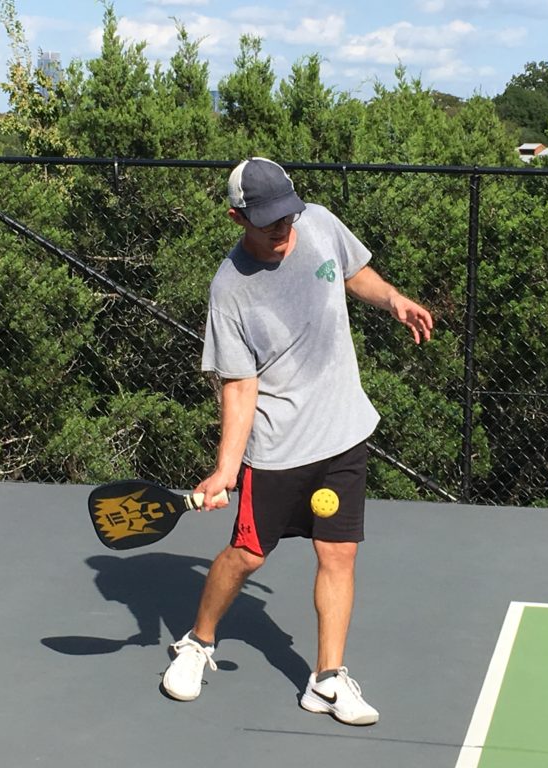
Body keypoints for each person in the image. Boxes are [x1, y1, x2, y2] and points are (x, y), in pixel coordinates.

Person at [161, 157, 433, 726]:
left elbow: (353, 272)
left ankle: (327, 678)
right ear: (238, 217)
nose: (284, 227)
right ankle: (198, 642)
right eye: (268, 221)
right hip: (279, 448)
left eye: (288, 214)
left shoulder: (320, 224)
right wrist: (227, 469)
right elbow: (239, 388)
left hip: (343, 433)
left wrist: (393, 300)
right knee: (246, 557)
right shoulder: (229, 288)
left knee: (339, 555)